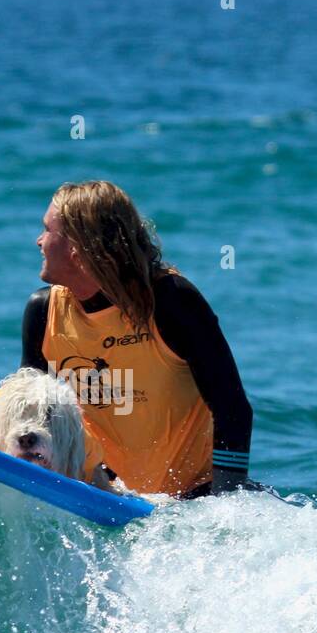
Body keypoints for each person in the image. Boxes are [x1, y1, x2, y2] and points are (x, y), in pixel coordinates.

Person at [20, 180, 252, 497]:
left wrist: (227, 505)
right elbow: (32, 415)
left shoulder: (171, 302)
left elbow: (233, 409)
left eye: (47, 230)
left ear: (77, 249)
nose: (39, 241)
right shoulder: (43, 312)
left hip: (192, 499)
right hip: (105, 495)